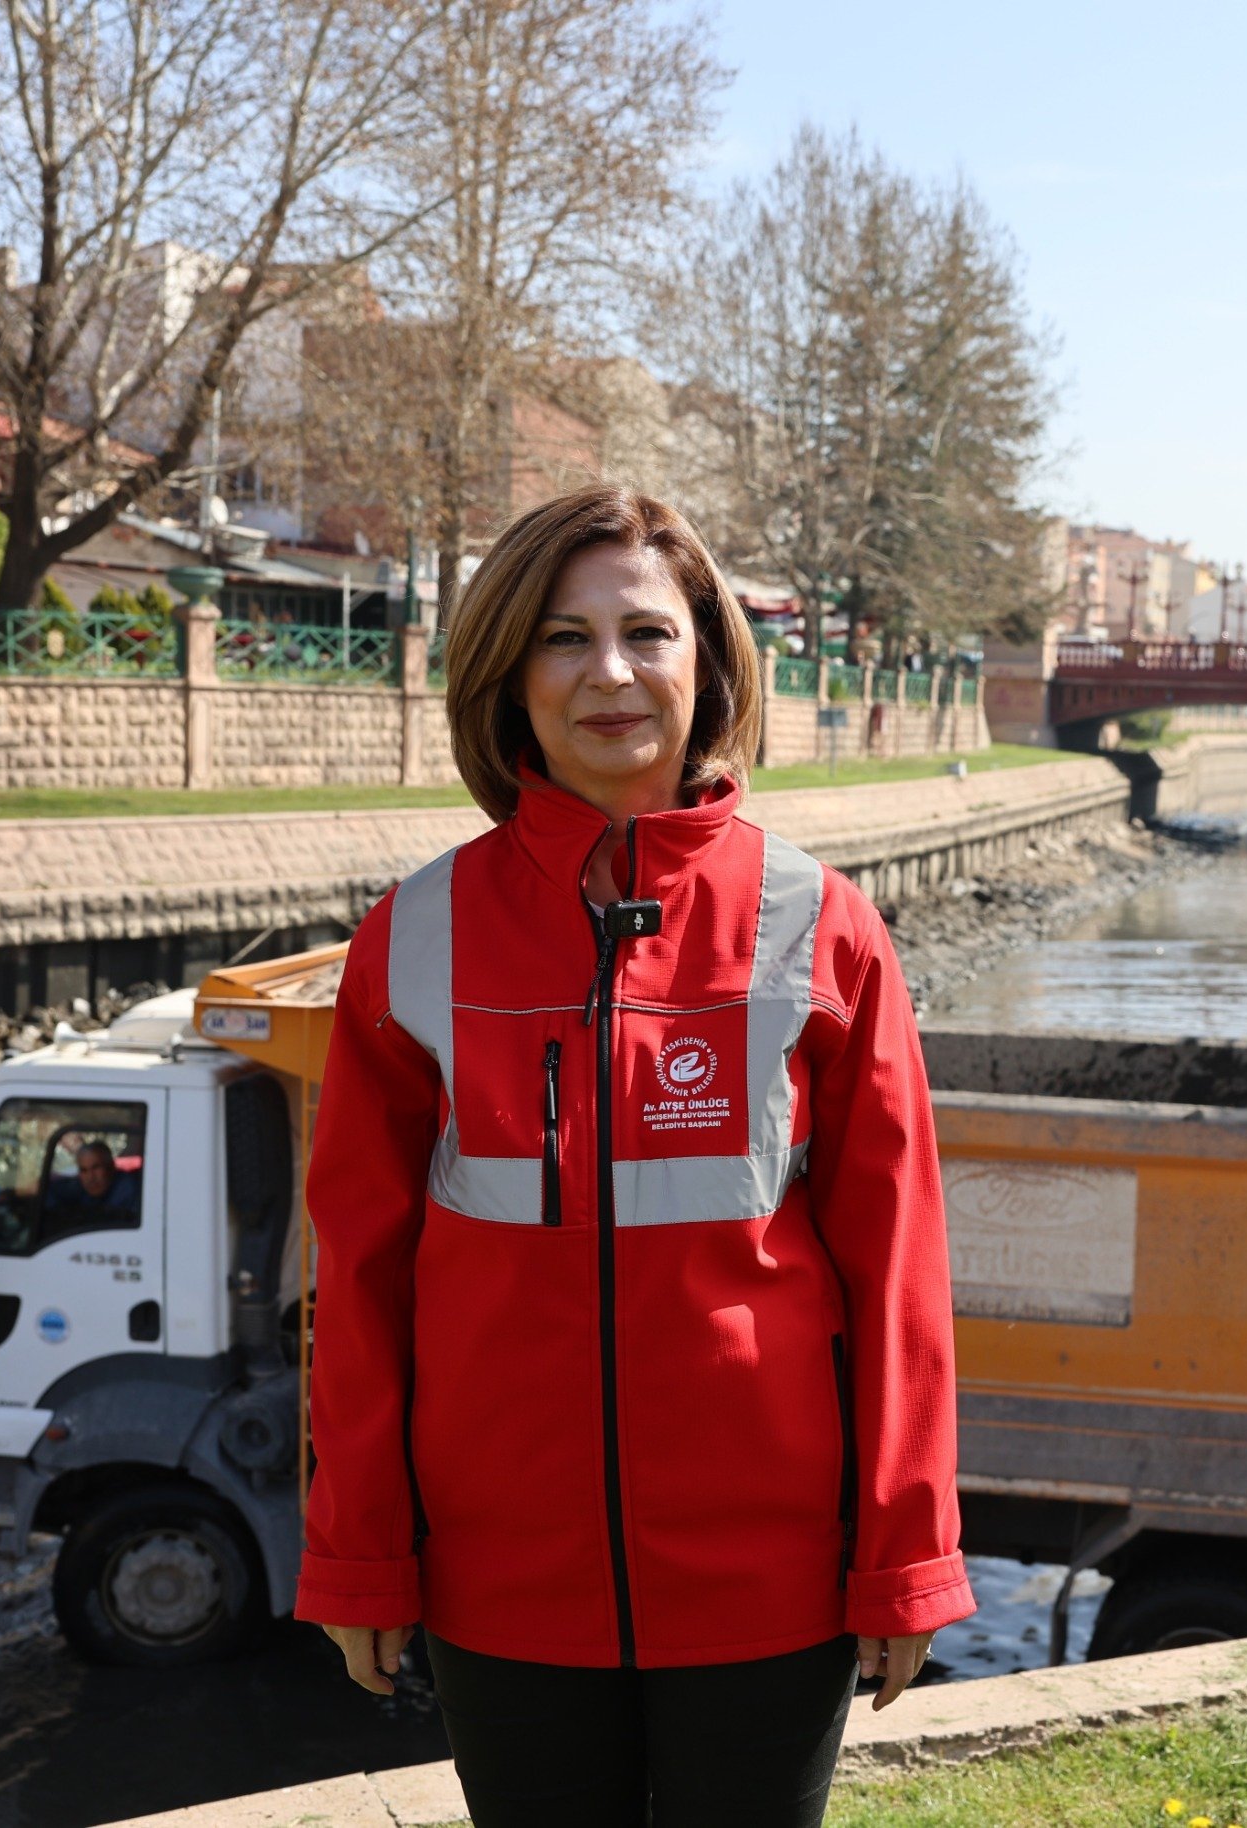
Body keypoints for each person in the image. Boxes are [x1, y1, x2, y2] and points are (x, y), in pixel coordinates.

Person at [296, 487, 972, 1828]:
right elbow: (360, 1279)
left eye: (646, 632)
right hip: (503, 1587)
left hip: (769, 1587)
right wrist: (358, 1553)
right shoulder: (410, 940)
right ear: (507, 672)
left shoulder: (821, 929)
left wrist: (907, 1553)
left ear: (708, 660)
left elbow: (897, 1266)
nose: (609, 672)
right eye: (561, 637)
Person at [42, 1138, 138, 1225]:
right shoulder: (79, 1186)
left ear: (111, 1167)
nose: (90, 1177)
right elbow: (49, 1191)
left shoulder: (128, 1191)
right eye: (84, 1170)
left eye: (96, 1168)